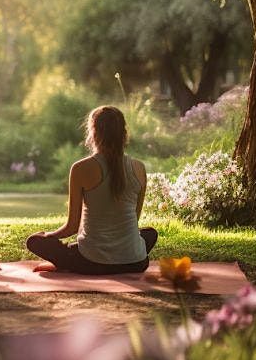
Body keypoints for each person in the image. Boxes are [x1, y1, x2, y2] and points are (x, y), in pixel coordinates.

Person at [26, 106, 158, 275]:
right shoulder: (139, 168)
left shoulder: (81, 168)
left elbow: (72, 227)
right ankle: (74, 261)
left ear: (93, 133)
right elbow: (135, 219)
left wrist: (48, 235)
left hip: (92, 263)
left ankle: (65, 263)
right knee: (150, 234)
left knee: (35, 241)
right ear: (124, 134)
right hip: (136, 262)